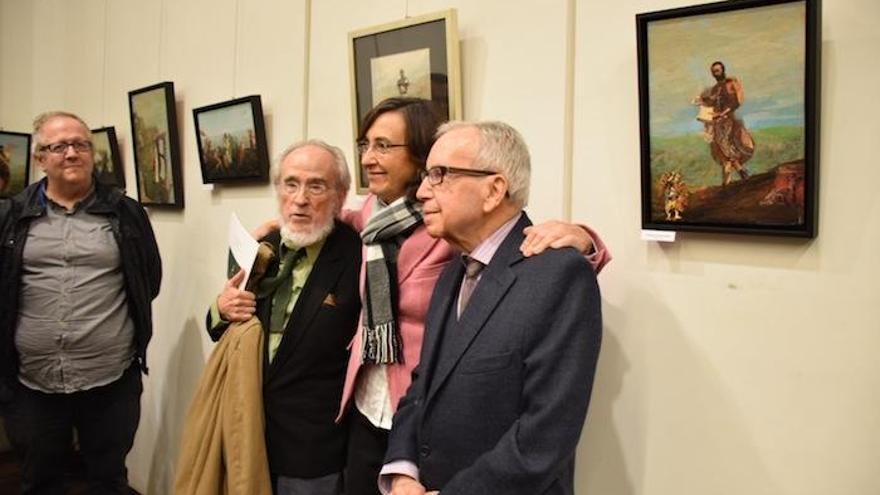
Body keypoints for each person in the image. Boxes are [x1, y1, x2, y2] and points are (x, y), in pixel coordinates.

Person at [330, 97, 609, 495]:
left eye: (440, 174)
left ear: (494, 190)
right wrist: (403, 471)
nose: (423, 191)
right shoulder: (453, 274)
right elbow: (421, 385)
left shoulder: (559, 275)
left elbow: (544, 436)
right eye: (426, 174)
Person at [0, 111, 162, 493]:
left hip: (110, 379)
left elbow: (147, 280)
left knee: (108, 479)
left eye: (81, 144)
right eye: (59, 146)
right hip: (32, 383)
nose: (72, 153)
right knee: (39, 481)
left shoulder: (125, 212)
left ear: (92, 153)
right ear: (41, 158)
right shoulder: (11, 216)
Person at [209, 140, 362, 494]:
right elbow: (222, 330)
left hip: (312, 448)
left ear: (340, 195)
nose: (300, 198)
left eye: (316, 185)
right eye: (290, 183)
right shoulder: (259, 247)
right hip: (247, 429)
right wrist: (220, 309)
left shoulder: (358, 257)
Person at [694, 61, 755, 185]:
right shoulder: (715, 88)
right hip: (717, 122)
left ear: (723, 70)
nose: (715, 73)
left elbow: (736, 102)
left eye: (717, 70)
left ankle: (737, 174)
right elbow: (712, 101)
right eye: (713, 71)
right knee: (722, 149)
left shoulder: (730, 83)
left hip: (728, 119)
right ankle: (740, 172)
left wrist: (723, 113)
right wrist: (701, 100)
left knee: (725, 145)